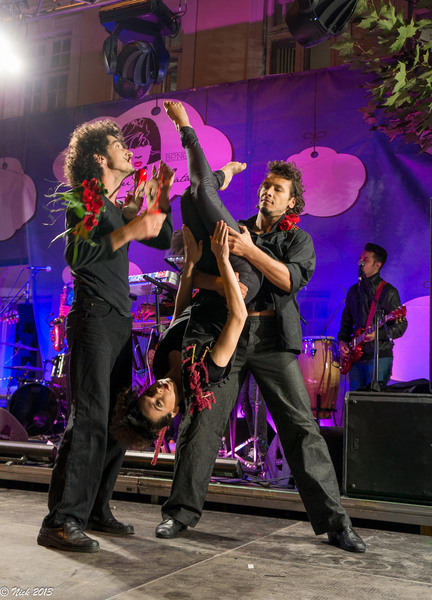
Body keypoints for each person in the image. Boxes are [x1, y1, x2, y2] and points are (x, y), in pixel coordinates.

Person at [154, 101, 366, 554]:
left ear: (293, 202)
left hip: (272, 340)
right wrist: (216, 271)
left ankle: (337, 523)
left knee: (300, 427)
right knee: (201, 421)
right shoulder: (236, 227)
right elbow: (201, 278)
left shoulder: (298, 239)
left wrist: (249, 253)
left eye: (278, 189)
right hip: (226, 334)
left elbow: (289, 280)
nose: (268, 192)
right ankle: (179, 513)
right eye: (266, 186)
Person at [37, 119, 174, 553]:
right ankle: (61, 521)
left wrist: (158, 196)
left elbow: (164, 237)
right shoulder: (84, 199)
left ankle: (96, 507)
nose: (128, 150)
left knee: (117, 419)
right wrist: (129, 229)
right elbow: (78, 255)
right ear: (99, 157)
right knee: (90, 418)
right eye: (119, 144)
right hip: (94, 317)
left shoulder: (114, 206)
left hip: (117, 320)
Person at [338, 243, 407, 391]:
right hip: (355, 358)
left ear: (377, 265)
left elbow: (401, 326)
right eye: (360, 258)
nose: (360, 262)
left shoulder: (388, 291)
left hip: (379, 357)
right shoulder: (353, 291)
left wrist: (377, 335)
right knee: (355, 400)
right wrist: (342, 340)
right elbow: (346, 321)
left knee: (374, 401)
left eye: (365, 259)